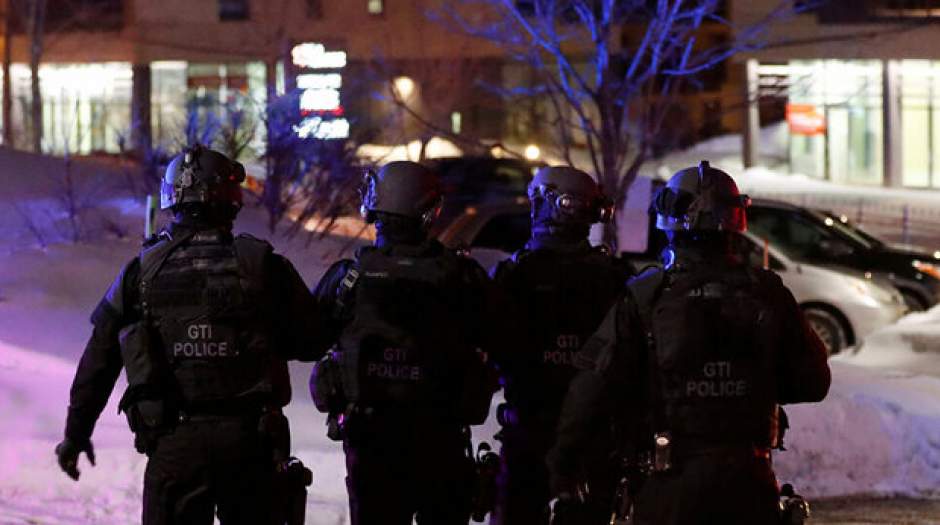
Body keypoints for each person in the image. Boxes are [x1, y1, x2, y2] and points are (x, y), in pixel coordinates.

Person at [546, 160, 831, 524]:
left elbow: (593, 389)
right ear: (736, 222)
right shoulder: (768, 294)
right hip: (750, 484)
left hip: (669, 488)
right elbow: (812, 382)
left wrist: (564, 462)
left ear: (668, 224)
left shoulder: (646, 297)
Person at [54, 145, 320, 525]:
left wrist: (76, 433)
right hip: (251, 443)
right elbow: (311, 341)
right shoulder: (263, 265)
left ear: (172, 199)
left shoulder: (140, 271)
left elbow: (100, 357)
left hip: (175, 445)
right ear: (230, 200)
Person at [309, 161, 503, 525]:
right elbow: (499, 340)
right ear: (429, 211)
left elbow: (308, 340)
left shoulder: (350, 278)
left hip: (371, 442)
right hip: (442, 439)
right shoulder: (462, 277)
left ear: (374, 205)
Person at [489, 166, 631, 525]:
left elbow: (483, 351)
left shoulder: (513, 276)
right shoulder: (615, 278)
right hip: (595, 439)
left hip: (528, 433)